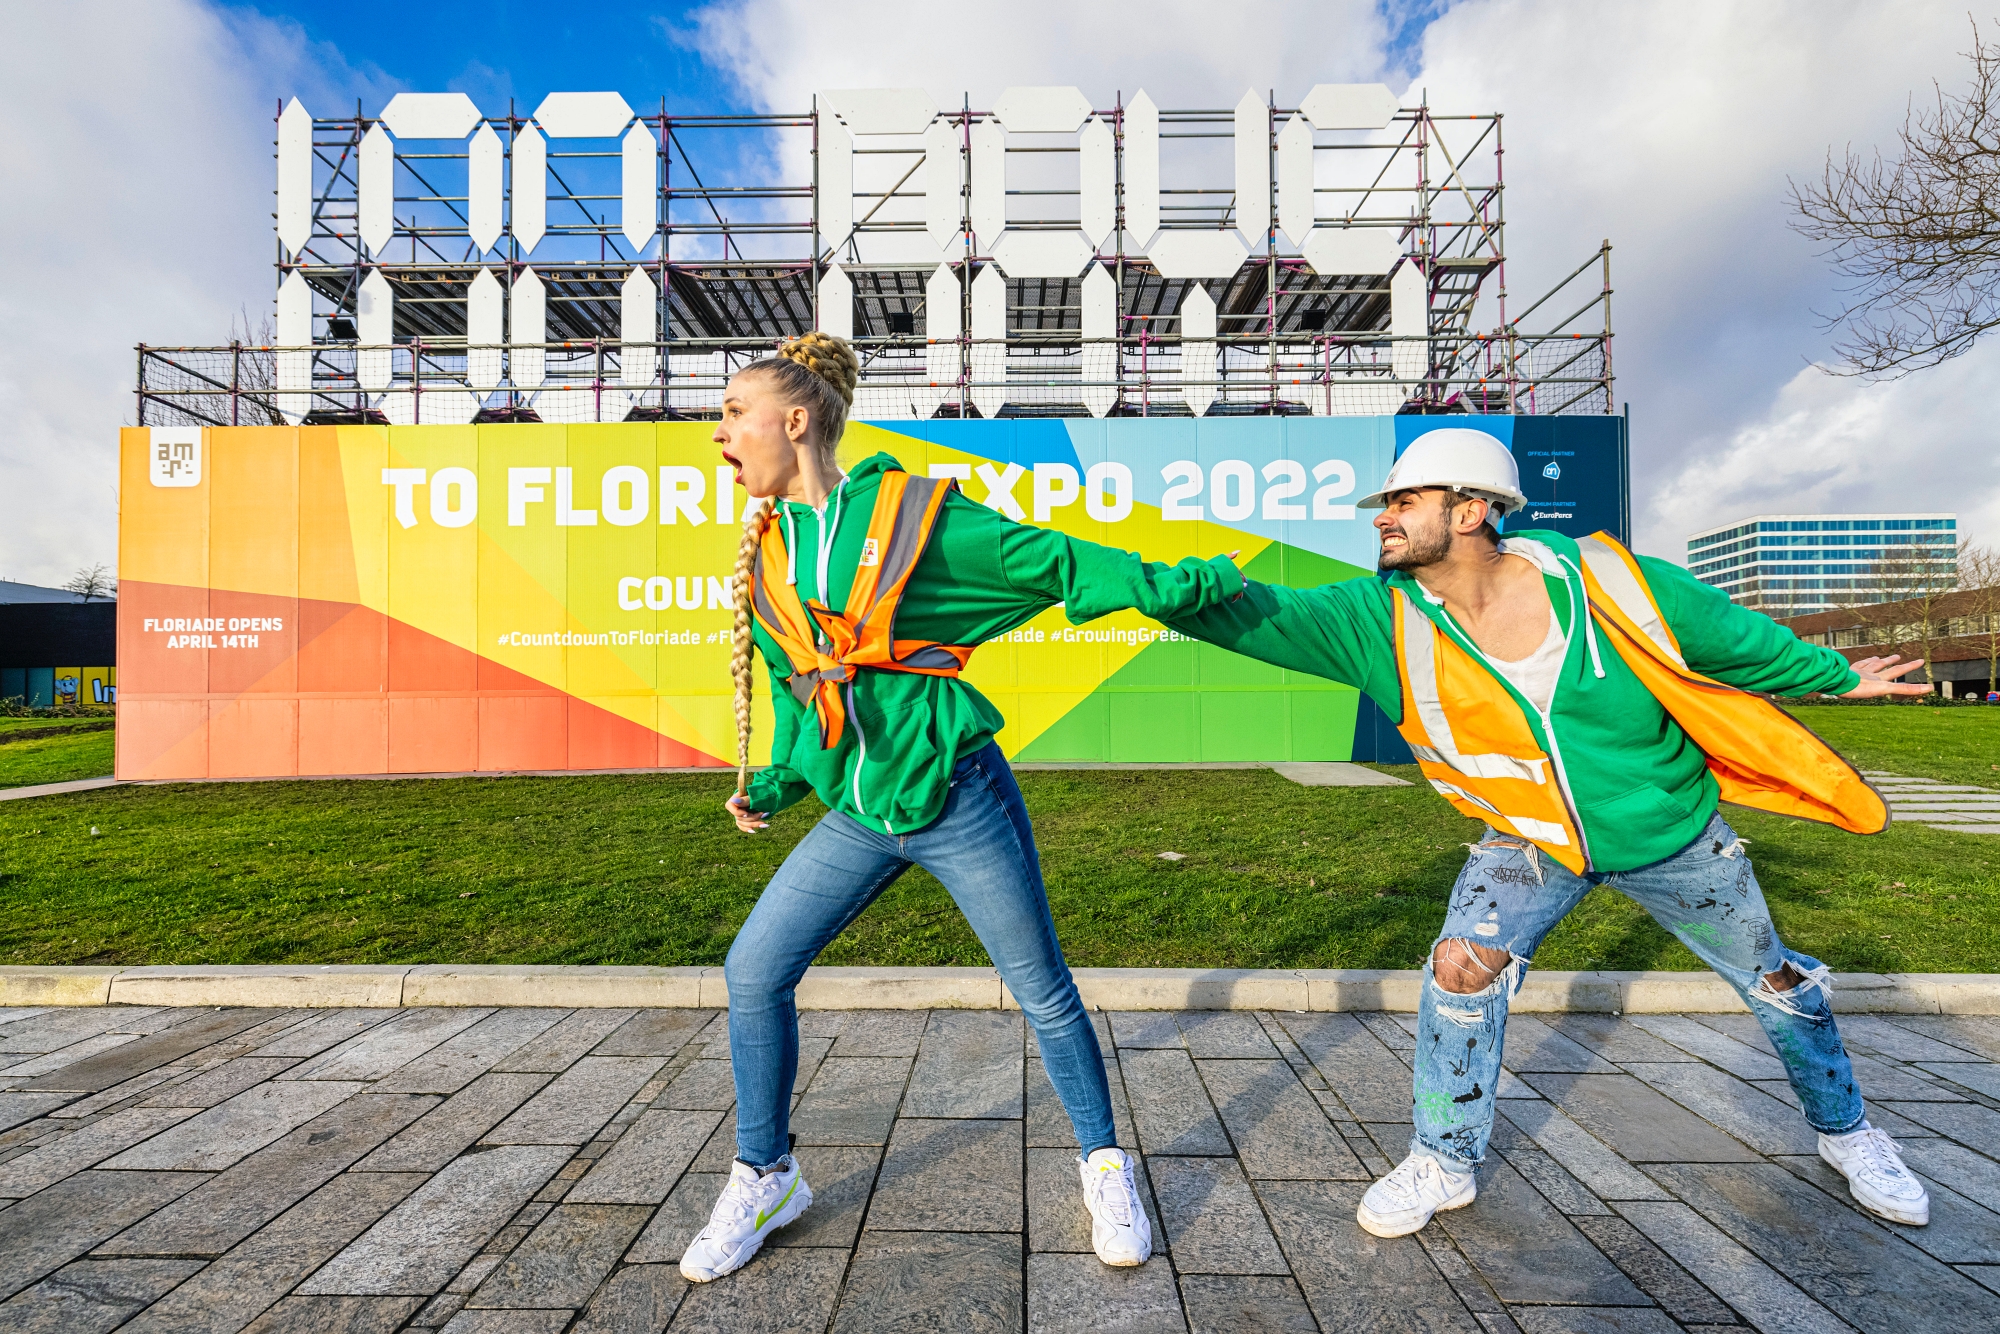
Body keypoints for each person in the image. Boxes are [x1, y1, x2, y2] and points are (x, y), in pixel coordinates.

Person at [1166, 427, 1935, 1237]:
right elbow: (1261, 616)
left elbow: (1732, 638)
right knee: (1460, 970)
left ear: (1470, 510)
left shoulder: (1608, 581)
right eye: (1386, 504)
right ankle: (1445, 1157)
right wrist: (1156, 588)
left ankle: (1851, 1134)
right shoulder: (1376, 617)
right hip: (1524, 840)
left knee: (1776, 984)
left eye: (1402, 501)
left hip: (1669, 832)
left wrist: (1838, 674)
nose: (1382, 519)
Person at [677, 333, 1241, 1283]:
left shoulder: (914, 519)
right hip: (859, 813)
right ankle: (766, 1173)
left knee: (1042, 992)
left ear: (796, 419)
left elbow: (1057, 563)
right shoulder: (772, 548)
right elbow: (795, 687)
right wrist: (775, 781)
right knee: (753, 972)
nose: (719, 435)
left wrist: (1186, 586)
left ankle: (1106, 1165)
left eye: (733, 412)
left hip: (956, 795)